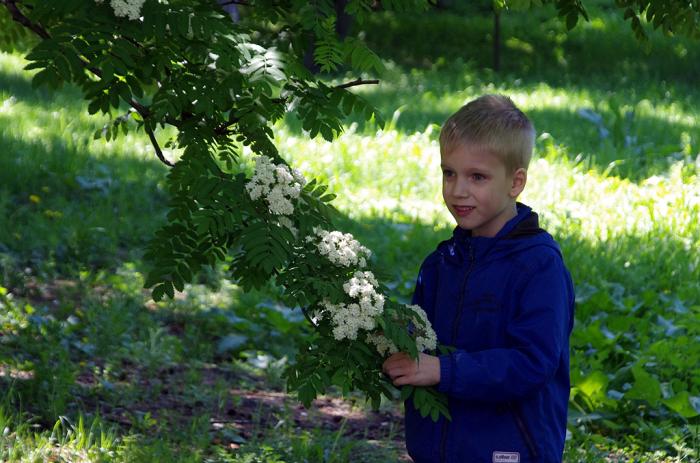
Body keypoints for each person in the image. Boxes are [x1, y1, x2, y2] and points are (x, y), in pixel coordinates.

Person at [382, 94, 575, 463]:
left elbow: (532, 363)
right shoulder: (441, 262)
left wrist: (442, 370)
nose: (458, 190)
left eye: (478, 177)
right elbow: (421, 341)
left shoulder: (538, 266)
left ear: (515, 182)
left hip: (510, 449)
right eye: (449, 172)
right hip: (437, 449)